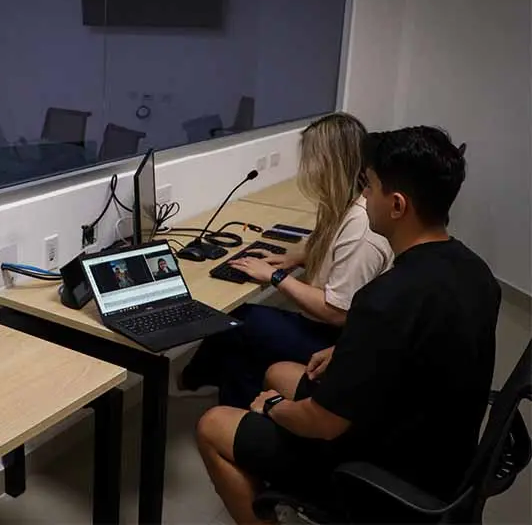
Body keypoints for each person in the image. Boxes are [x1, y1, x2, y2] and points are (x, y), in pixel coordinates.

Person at [195, 126, 500, 524]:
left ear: (397, 205)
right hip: (442, 453)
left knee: (212, 425)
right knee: (278, 370)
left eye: (370, 187)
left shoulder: (385, 299)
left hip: (382, 473)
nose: (364, 197)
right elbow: (427, 344)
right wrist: (346, 350)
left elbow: (322, 424)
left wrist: (272, 407)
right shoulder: (476, 273)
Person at [179, 113, 393, 407]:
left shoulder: (360, 228)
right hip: (331, 329)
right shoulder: (348, 205)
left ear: (328, 163)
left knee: (234, 322)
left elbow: (337, 311)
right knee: (238, 326)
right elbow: (339, 258)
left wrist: (275, 277)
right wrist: (299, 257)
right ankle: (213, 387)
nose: (305, 168)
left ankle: (214, 397)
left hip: (333, 340)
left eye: (310, 159)